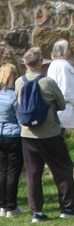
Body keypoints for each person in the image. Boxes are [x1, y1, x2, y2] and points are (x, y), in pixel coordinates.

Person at [16, 48, 74, 222]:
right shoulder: (47, 82)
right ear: (40, 63)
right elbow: (61, 104)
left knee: (33, 173)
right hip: (49, 132)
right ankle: (67, 207)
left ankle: (36, 211)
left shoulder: (19, 82)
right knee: (62, 169)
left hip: (27, 133)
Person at [0, 63, 24, 217]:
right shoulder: (14, 96)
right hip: (13, 135)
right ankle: (11, 206)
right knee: (13, 172)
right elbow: (20, 117)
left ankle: (2, 206)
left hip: (0, 134)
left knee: (2, 171)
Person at [47, 39, 74, 133]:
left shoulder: (54, 64)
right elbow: (64, 90)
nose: (70, 50)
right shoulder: (62, 66)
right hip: (63, 108)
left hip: (59, 108)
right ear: (63, 51)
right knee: (59, 136)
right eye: (68, 48)